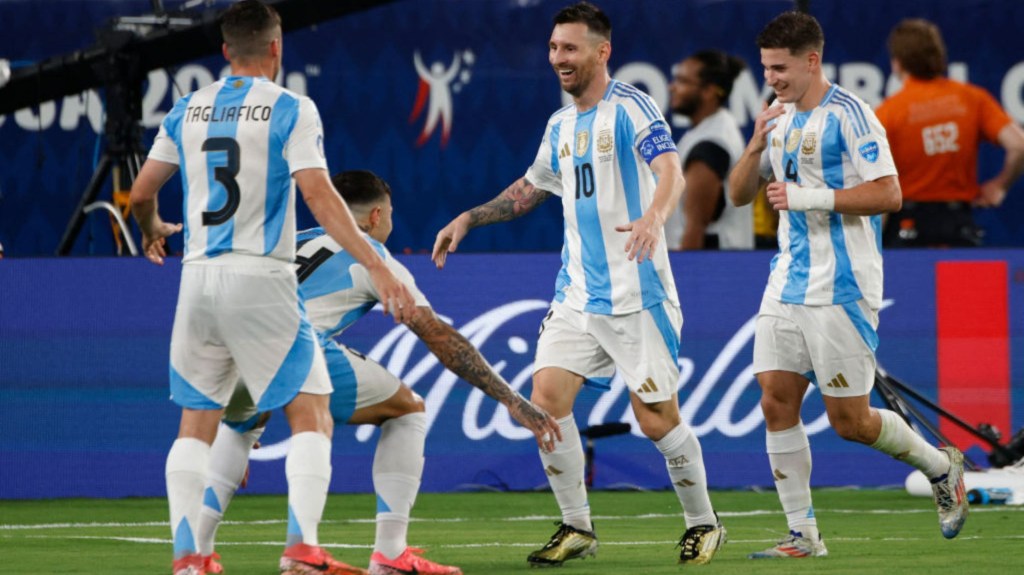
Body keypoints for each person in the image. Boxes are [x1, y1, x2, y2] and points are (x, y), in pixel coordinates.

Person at [433, 2, 725, 567]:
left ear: (601, 51)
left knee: (655, 418)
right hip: (576, 295)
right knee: (545, 401)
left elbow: (671, 171)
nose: (558, 58)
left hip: (638, 294)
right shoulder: (560, 125)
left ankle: (704, 522)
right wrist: (470, 217)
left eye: (569, 48)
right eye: (552, 48)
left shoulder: (632, 108)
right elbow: (530, 188)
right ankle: (577, 528)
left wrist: (653, 218)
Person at [128, 3, 416, 574]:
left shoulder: (187, 108)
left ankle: (190, 559)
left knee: (195, 424)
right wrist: (375, 264)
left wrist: (153, 229)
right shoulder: (291, 108)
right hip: (261, 276)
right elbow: (319, 195)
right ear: (277, 48)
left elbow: (140, 193)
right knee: (311, 413)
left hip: (198, 279)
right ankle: (302, 549)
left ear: (225, 50)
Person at [194, 170, 563, 575]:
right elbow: (440, 338)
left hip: (230, 345)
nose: (390, 222)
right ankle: (385, 553)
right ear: (374, 216)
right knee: (408, 410)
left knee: (239, 433)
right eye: (389, 214)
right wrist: (511, 399)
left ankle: (197, 557)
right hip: (299, 345)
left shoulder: (295, 239)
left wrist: (245, 411)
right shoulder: (373, 256)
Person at [728, 11, 968, 559]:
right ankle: (803, 536)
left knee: (850, 422)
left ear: (813, 60)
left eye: (781, 68)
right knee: (775, 400)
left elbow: (889, 195)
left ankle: (941, 465)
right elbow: (740, 195)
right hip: (786, 281)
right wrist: (752, 145)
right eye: (766, 68)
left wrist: (811, 197)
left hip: (842, 287)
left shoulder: (853, 118)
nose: (772, 80)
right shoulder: (777, 116)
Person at [877, 18, 1024, 247]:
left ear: (897, 63)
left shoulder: (888, 112)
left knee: (908, 284)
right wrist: (1000, 186)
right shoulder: (972, 99)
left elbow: (881, 186)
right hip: (958, 227)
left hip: (907, 229)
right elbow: (1019, 145)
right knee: (963, 284)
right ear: (938, 56)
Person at [665, 50, 753, 250]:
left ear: (709, 91)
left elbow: (694, 227)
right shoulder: (710, 130)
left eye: (683, 81)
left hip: (708, 271)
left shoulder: (711, 144)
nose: (672, 87)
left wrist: (686, 276)